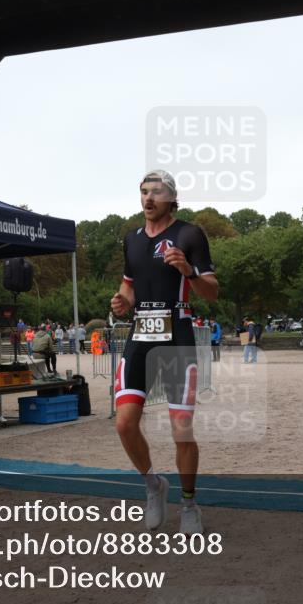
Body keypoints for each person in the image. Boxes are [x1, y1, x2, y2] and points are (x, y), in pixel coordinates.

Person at [110, 169, 218, 535]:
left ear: (172, 198)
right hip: (141, 334)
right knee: (125, 422)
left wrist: (189, 272)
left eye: (156, 193)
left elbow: (212, 292)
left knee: (181, 429)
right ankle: (153, 485)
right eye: (143, 192)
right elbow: (128, 288)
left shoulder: (189, 234)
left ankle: (189, 503)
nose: (148, 199)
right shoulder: (132, 239)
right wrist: (121, 303)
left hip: (178, 334)